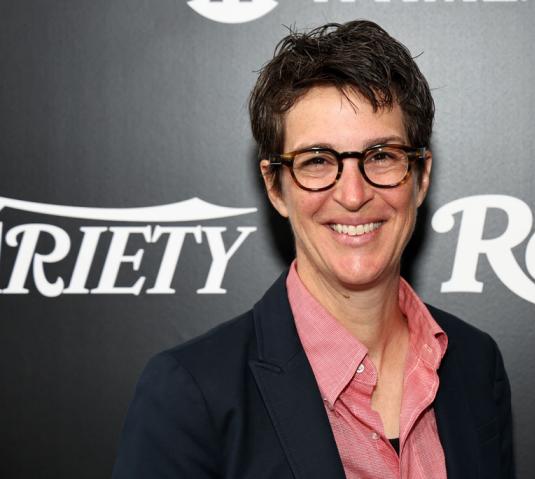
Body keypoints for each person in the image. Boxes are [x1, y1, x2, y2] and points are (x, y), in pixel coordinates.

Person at [112, 20, 514, 479]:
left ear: (420, 176)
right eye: (318, 161)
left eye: (381, 155)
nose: (353, 194)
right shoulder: (191, 393)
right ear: (276, 187)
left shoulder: (475, 363)